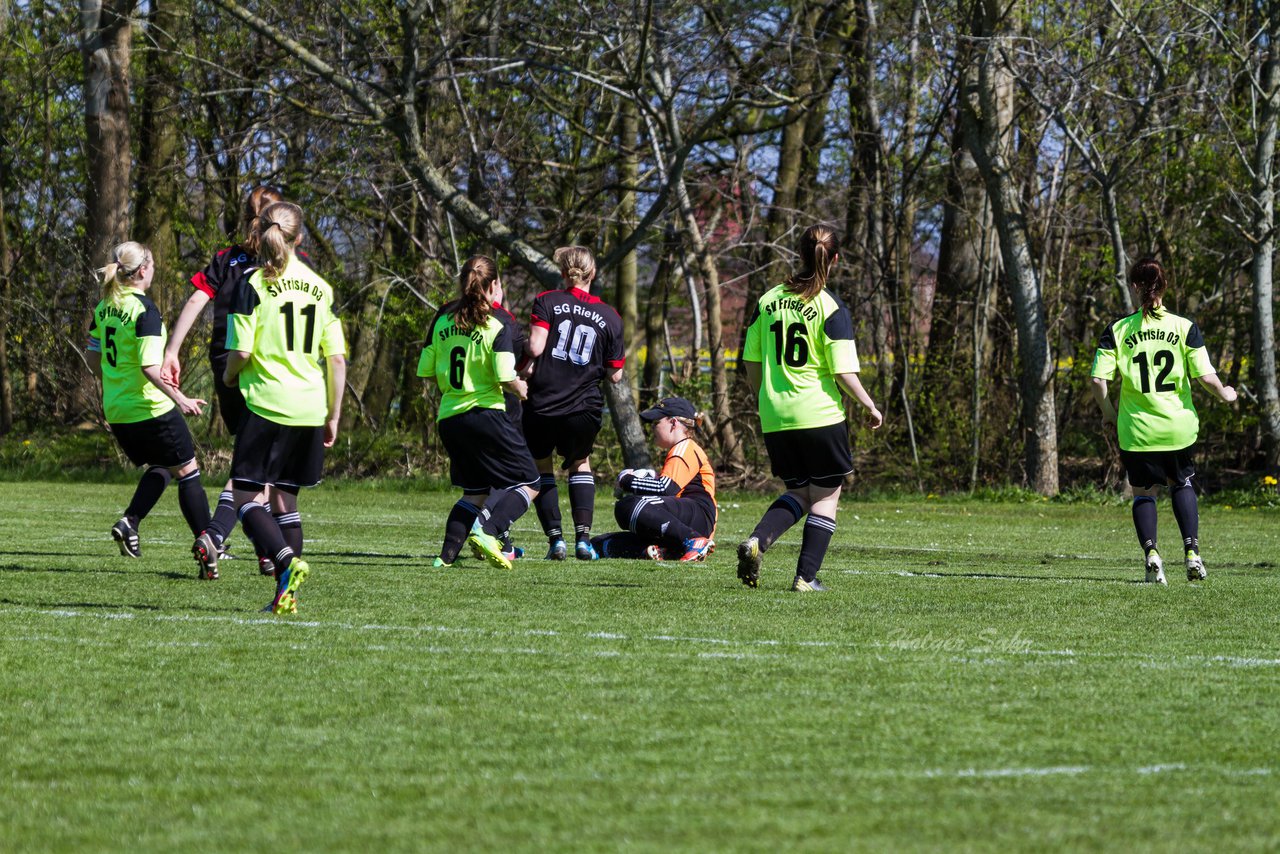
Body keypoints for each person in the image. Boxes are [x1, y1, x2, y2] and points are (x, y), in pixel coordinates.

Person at [737, 225, 882, 592]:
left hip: (775, 416)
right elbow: (843, 371)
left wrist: (762, 395)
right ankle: (806, 577)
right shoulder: (830, 306)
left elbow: (751, 360)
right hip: (819, 415)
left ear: (799, 253)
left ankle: (757, 541)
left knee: (799, 491)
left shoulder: (767, 301)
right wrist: (869, 404)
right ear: (835, 259)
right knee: (826, 495)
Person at [222, 202, 346, 613]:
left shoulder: (251, 283)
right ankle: (284, 595)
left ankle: (286, 562)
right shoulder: (320, 286)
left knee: (244, 499)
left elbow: (240, 350)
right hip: (310, 407)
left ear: (260, 233)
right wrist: (333, 414)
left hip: (267, 405)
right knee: (286, 502)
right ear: (300, 238)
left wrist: (227, 376)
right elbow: (337, 359)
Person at [163, 185, 288, 577]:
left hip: (225, 362)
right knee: (258, 465)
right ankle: (216, 535)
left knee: (258, 461)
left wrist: (173, 350)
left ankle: (265, 549)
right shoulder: (283, 263)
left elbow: (198, 299)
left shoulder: (227, 258)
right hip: (263, 365)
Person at [1090, 257, 1237, 584]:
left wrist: (1110, 415)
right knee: (1181, 483)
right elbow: (1206, 376)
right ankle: (1192, 553)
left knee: (1143, 492)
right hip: (1177, 427)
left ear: (1134, 287)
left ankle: (1152, 554)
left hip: (1137, 429)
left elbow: (1099, 381)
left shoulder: (1117, 330)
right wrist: (1226, 393)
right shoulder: (1184, 327)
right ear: (1164, 286)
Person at [86, 241, 214, 575]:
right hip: (150, 407)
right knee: (188, 469)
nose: (153, 269)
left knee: (163, 464)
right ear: (143, 270)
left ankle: (130, 522)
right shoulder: (144, 309)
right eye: (153, 264)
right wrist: (180, 397)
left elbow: (93, 358)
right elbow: (149, 368)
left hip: (117, 410)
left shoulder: (104, 306)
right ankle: (209, 546)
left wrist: (115, 380)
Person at [418, 255, 540, 570]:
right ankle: (489, 532)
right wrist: (519, 387)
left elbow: (427, 370)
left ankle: (444, 559)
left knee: (474, 491)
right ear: (494, 284)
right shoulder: (499, 321)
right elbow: (504, 374)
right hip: (486, 414)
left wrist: (452, 388)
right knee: (529, 481)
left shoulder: (444, 317)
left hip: (450, 417)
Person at [520, 246, 625, 561]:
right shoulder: (610, 316)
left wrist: (518, 346)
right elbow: (616, 376)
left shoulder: (547, 300)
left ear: (563, 273)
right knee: (580, 462)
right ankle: (583, 540)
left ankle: (556, 541)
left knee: (542, 466)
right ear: (592, 273)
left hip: (542, 403)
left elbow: (536, 347)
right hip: (583, 407)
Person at [591, 397, 715, 562]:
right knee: (598, 543)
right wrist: (649, 476)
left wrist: (626, 480)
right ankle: (663, 550)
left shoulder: (685, 446)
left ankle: (693, 541)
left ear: (673, 423)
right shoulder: (680, 450)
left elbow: (666, 488)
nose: (652, 428)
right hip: (686, 520)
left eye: (656, 422)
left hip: (697, 516)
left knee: (628, 506)